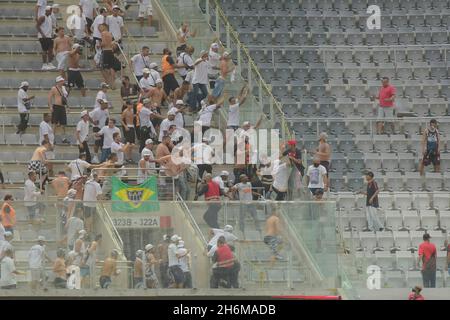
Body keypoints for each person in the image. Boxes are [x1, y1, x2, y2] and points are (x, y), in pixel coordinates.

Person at [90, 98, 110, 163]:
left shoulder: (106, 111)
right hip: (96, 128)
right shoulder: (96, 110)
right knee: (97, 142)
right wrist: (93, 122)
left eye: (107, 103)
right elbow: (89, 115)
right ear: (102, 104)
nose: (107, 105)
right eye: (105, 104)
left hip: (103, 128)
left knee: (102, 144)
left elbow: (107, 118)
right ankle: (95, 157)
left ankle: (103, 157)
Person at [36, 6, 56, 70]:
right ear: (47, 10)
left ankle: (49, 63)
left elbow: (49, 26)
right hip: (43, 37)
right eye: (50, 10)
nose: (51, 11)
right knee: (44, 50)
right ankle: (44, 64)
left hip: (49, 36)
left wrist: (54, 31)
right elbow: (37, 26)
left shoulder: (50, 17)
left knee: (50, 50)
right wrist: (42, 34)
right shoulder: (42, 17)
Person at [99, 23, 116, 88]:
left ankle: (107, 81)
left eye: (101, 27)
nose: (100, 28)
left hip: (106, 51)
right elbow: (112, 44)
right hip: (110, 51)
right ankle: (113, 83)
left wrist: (99, 45)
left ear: (104, 27)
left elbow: (104, 43)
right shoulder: (110, 34)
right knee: (111, 67)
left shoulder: (103, 33)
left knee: (104, 68)